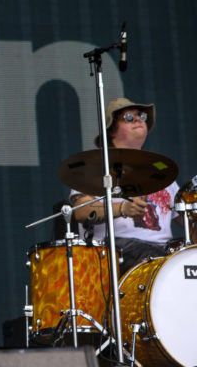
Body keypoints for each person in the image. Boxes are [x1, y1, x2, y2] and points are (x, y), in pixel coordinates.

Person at [70, 97, 182, 275]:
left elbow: (187, 218)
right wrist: (122, 208)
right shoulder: (96, 167)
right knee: (157, 261)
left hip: (164, 252)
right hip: (116, 251)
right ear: (112, 131)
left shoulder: (161, 172)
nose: (138, 119)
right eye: (129, 117)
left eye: (141, 116)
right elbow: (81, 210)